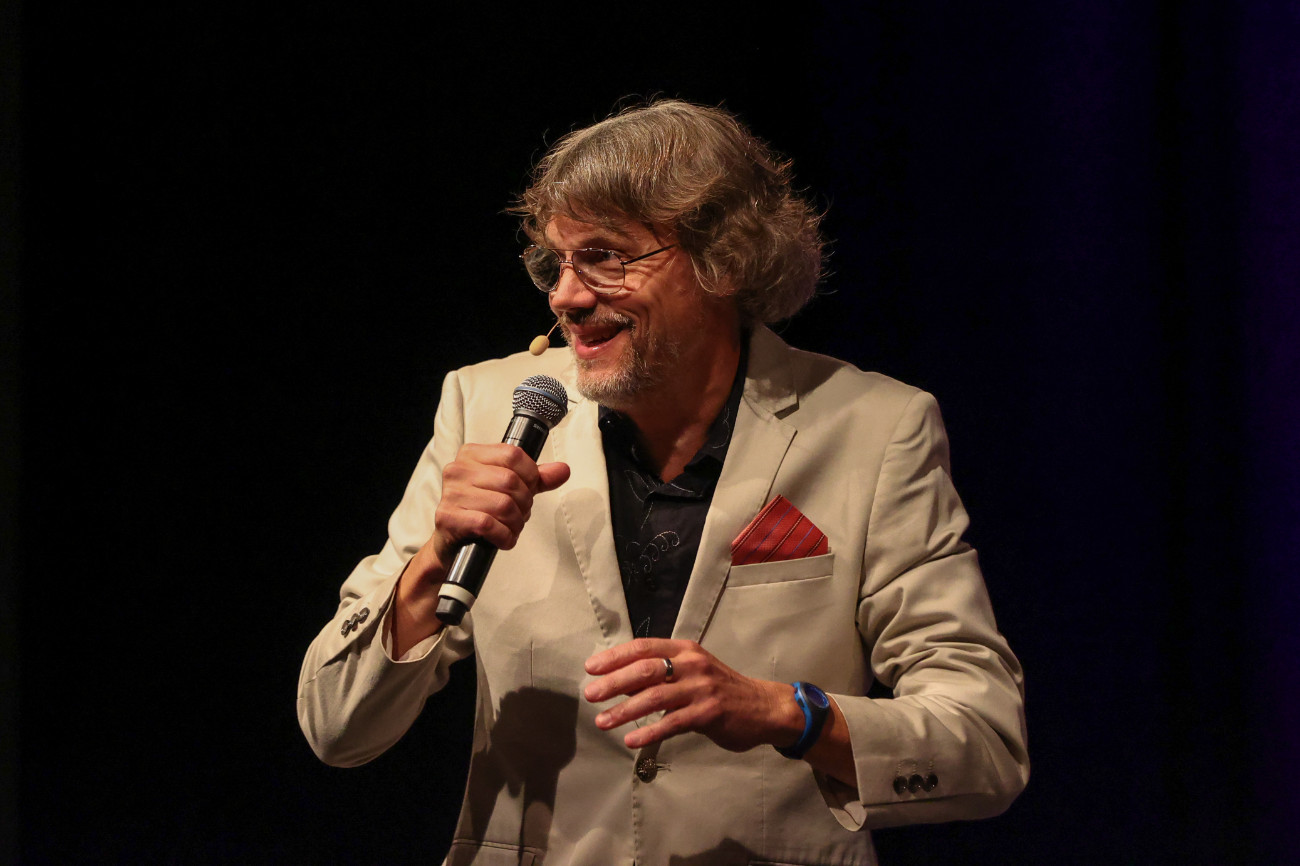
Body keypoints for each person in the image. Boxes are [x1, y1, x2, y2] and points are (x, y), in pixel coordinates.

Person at [298, 99, 1028, 866]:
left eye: (606, 257)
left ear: (725, 260)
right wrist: (431, 563)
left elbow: (986, 742)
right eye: (556, 261)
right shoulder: (485, 408)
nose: (565, 295)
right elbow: (336, 728)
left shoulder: (874, 428)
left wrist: (788, 713)